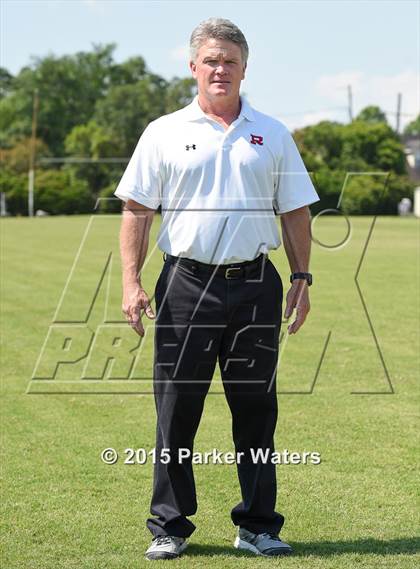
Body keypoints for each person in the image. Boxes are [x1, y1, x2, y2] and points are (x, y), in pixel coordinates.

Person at [114, 17, 319, 561]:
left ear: (245, 68)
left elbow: (295, 210)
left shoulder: (272, 133)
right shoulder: (163, 131)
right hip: (184, 283)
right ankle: (170, 526)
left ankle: (256, 525)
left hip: (255, 285)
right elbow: (137, 209)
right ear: (193, 68)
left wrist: (301, 277)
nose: (220, 69)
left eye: (230, 61)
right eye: (211, 60)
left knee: (256, 408)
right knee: (176, 409)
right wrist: (131, 282)